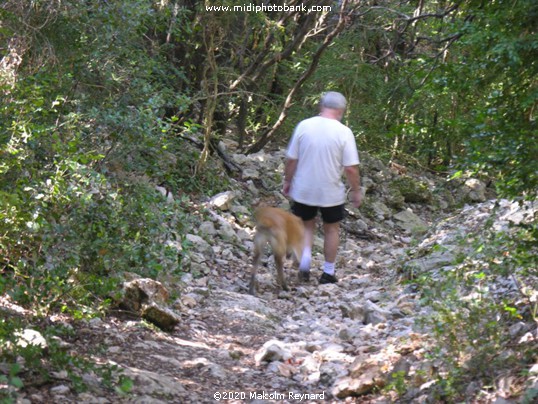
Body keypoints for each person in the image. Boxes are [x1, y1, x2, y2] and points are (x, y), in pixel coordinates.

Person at [283, 91, 362, 284]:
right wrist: (356, 191)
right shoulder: (344, 132)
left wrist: (287, 181)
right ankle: (328, 272)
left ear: (321, 106)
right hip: (331, 191)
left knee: (307, 226)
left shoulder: (304, 126)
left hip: (304, 189)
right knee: (331, 229)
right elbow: (351, 168)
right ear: (342, 110)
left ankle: (305, 264)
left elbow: (292, 159)